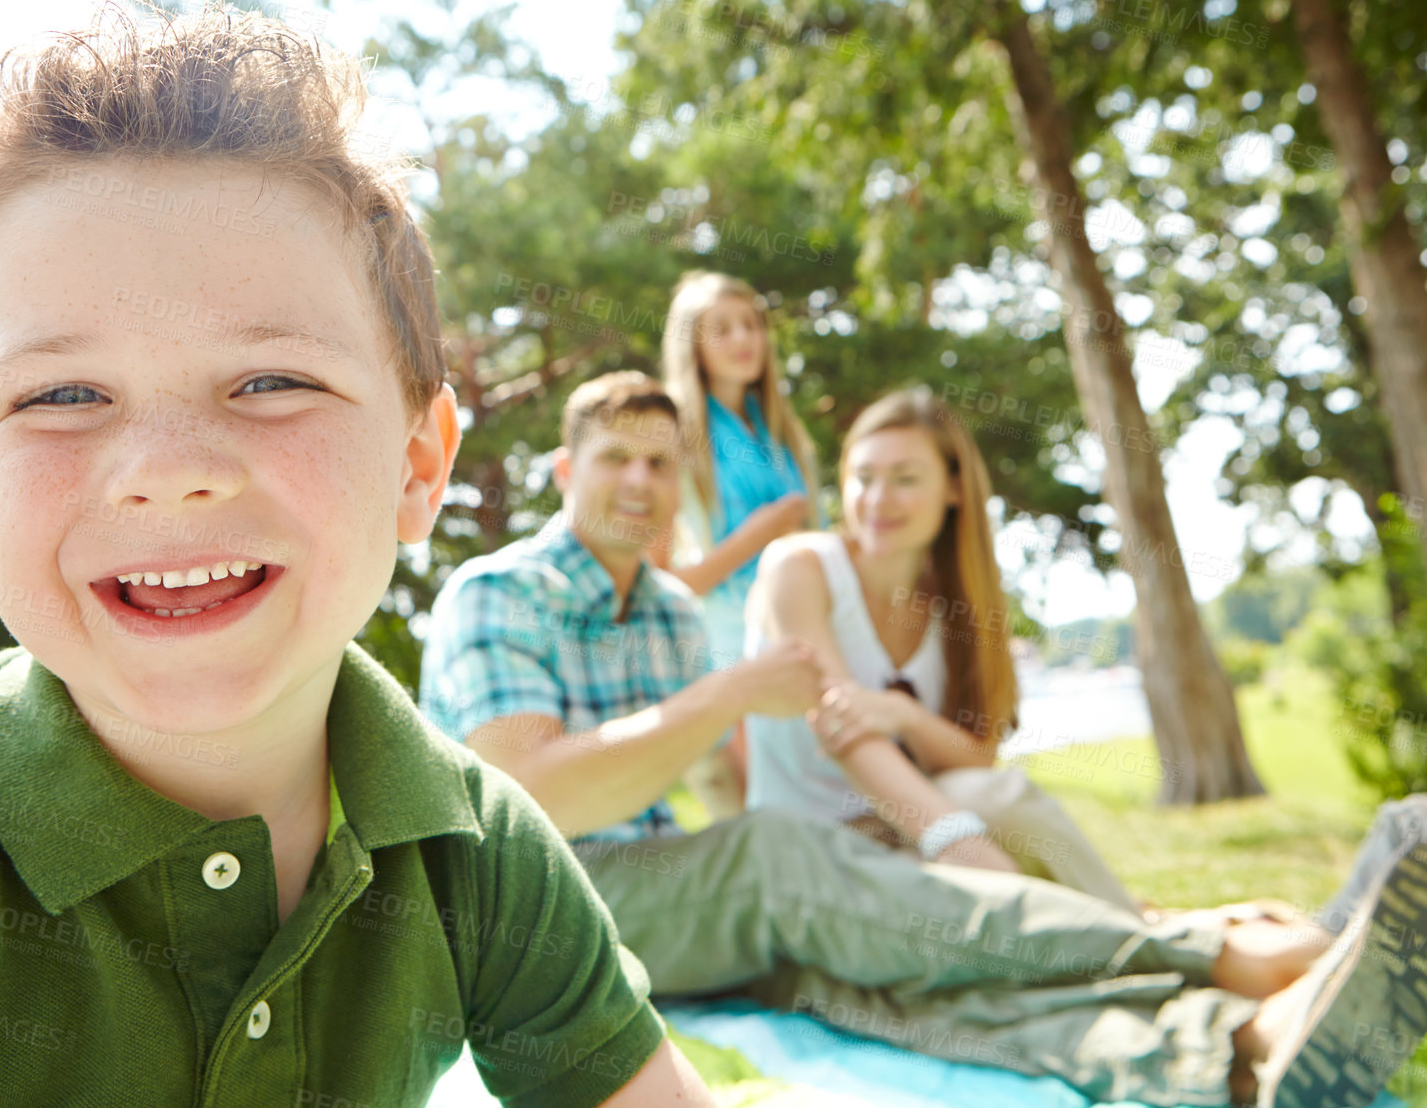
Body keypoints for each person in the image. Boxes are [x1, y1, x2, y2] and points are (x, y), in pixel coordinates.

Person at [0, 5, 717, 1107]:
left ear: (420, 462)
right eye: (63, 394)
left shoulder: (478, 850)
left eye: (272, 381)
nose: (169, 468)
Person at [419, 370, 1427, 1108]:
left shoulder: (674, 619)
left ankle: (1239, 1045)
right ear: (563, 467)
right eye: (613, 459)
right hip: (525, 912)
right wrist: (738, 704)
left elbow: (709, 786)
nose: (639, 482)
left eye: (658, 462)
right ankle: (1236, 951)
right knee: (779, 858)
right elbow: (536, 799)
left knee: (879, 984)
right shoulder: (499, 592)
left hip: (658, 913)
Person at [742, 385, 1138, 910]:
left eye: (905, 479)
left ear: (953, 489)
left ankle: (1135, 924)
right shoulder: (799, 567)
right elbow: (844, 730)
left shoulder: (956, 606)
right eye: (863, 478)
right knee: (964, 897)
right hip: (817, 840)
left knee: (998, 795)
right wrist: (960, 845)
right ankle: (1131, 937)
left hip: (908, 820)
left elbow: (978, 758)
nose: (878, 499)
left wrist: (901, 713)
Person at [653, 271, 820, 817]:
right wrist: (762, 531)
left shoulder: (779, 432)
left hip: (797, 642)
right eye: (721, 329)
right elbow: (665, 586)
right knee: (767, 829)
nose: (744, 339)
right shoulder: (672, 436)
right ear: (692, 345)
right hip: (722, 659)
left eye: (750, 324)